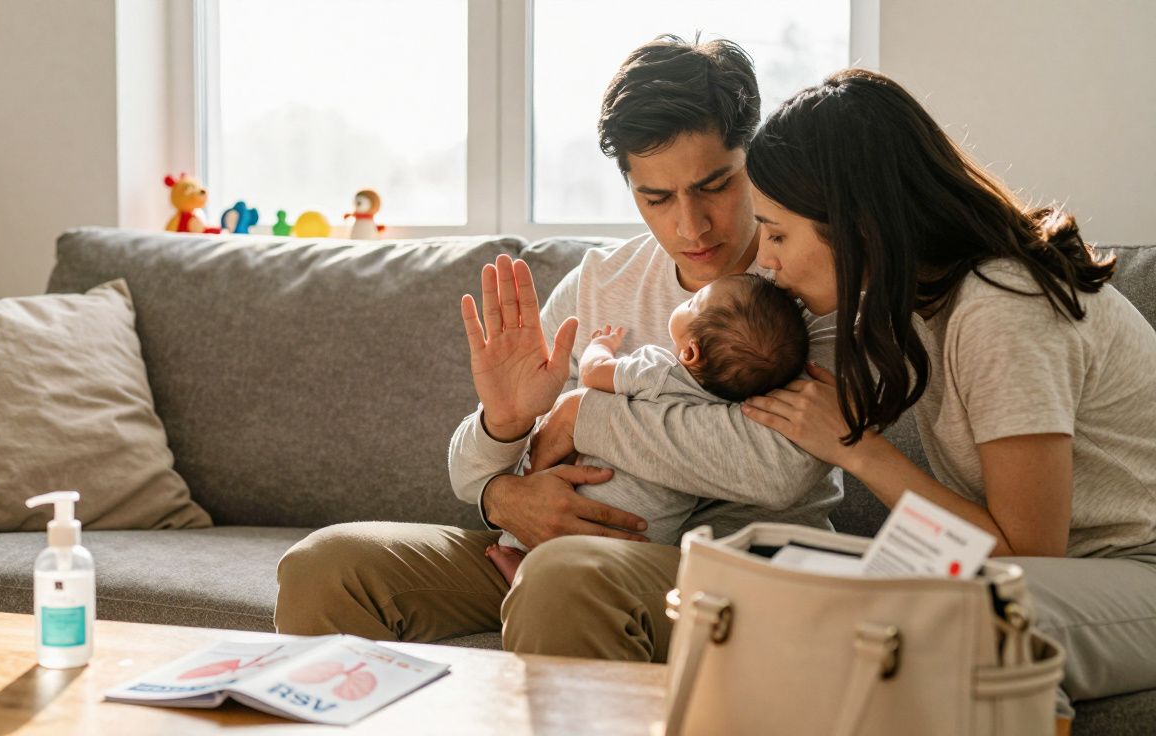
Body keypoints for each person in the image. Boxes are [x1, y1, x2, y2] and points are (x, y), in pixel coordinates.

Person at [274, 35, 839, 663]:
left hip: (727, 572)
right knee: (325, 568)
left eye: (715, 185)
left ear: (752, 160)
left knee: (564, 579)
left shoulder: (807, 282)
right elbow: (472, 475)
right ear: (630, 187)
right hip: (546, 553)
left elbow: (779, 469)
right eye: (657, 198)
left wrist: (582, 415)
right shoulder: (600, 283)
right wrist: (503, 444)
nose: (690, 225)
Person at [734, 68, 1156, 724]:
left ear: (859, 224)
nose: (765, 259)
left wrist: (858, 449)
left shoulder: (1000, 303)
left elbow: (1025, 554)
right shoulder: (917, 303)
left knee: (963, 622)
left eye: (779, 233)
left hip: (1138, 570)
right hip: (1067, 575)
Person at [485, 273, 809, 583]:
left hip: (599, 499)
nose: (687, 300)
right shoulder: (729, 411)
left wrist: (602, 345)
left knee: (545, 495)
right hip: (652, 535)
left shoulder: (659, 369)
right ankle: (539, 579)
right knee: (599, 569)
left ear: (690, 351)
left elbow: (593, 373)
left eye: (694, 302)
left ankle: (519, 556)